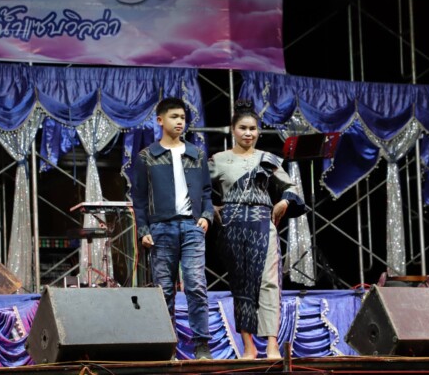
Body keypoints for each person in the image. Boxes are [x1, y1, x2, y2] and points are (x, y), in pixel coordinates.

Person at [209, 99, 306, 359]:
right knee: (241, 285)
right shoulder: (218, 160)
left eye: (253, 128)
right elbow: (199, 190)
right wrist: (212, 208)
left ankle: (272, 345)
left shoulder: (267, 158)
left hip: (263, 224)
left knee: (269, 283)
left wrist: (284, 202)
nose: (248, 133)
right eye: (243, 128)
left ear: (258, 131)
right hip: (233, 227)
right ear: (233, 129)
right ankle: (248, 346)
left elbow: (291, 187)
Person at [131, 97, 214, 360]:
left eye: (183, 118)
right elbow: (139, 199)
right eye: (174, 117)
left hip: (191, 226)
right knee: (164, 289)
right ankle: (167, 347)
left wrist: (207, 216)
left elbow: (207, 191)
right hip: (161, 228)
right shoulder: (146, 157)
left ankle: (201, 345)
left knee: (196, 285)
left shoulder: (196, 154)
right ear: (160, 120)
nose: (180, 122)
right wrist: (143, 229)